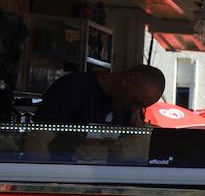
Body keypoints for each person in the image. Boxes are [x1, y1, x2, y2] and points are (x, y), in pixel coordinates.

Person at [27, 65, 166, 158]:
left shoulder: (128, 108)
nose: (135, 108)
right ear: (128, 80)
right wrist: (47, 185)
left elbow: (125, 153)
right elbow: (36, 140)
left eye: (142, 106)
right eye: (136, 101)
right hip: (63, 180)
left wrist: (136, 133)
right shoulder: (72, 89)